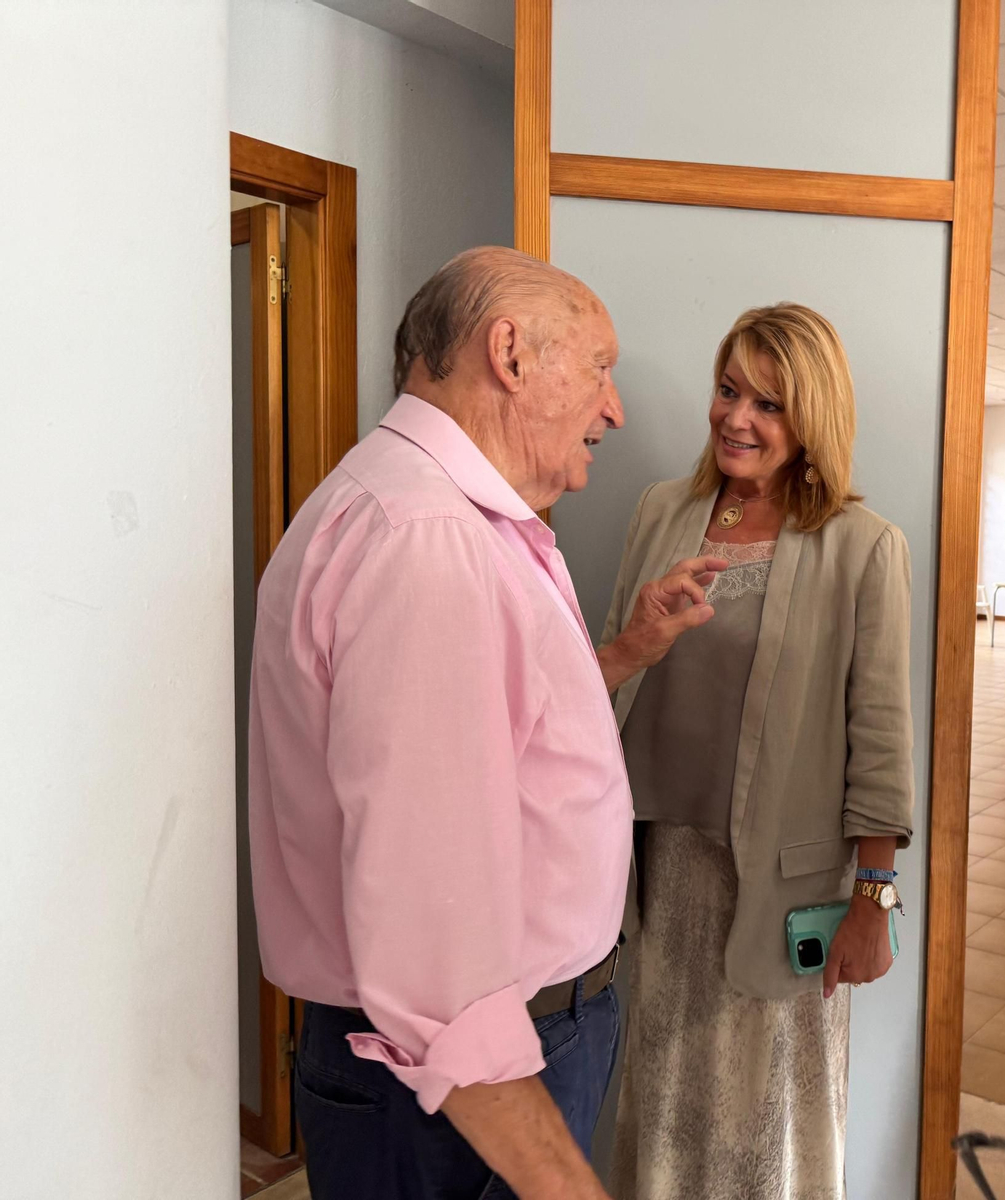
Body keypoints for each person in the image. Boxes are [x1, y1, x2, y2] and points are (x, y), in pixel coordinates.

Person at [249, 247, 724, 1200]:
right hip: (465, 1088)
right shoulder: (430, 545)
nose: (615, 407)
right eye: (599, 367)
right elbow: (434, 950)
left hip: (491, 1060)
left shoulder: (424, 514)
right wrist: (562, 1183)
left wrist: (625, 652)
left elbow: (484, 753)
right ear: (508, 353)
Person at [601, 303, 916, 1200]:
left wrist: (873, 896)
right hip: (665, 871)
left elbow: (881, 740)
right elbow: (613, 672)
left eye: (769, 404)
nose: (737, 417)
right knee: (666, 1101)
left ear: (811, 419)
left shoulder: (861, 547)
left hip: (789, 883)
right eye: (729, 390)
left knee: (770, 1117)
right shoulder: (662, 513)